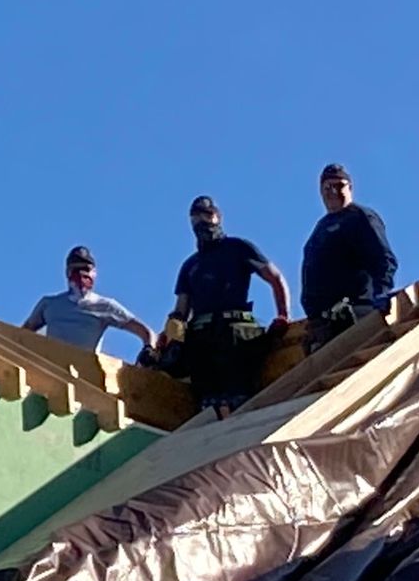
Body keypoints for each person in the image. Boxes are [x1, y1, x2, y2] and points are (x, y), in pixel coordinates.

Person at [162, 197, 291, 416]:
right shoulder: (190, 265)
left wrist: (283, 316)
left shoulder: (238, 248)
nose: (203, 222)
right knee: (208, 405)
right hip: (202, 340)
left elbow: (275, 278)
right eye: (197, 218)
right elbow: (180, 311)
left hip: (236, 335)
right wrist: (169, 338)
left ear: (218, 217)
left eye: (208, 215)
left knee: (239, 398)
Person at [300, 163, 399, 352]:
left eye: (340, 185)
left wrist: (382, 293)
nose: (333, 192)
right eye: (328, 187)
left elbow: (384, 259)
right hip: (327, 323)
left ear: (350, 188)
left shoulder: (360, 217)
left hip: (357, 313)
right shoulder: (320, 228)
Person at [22, 246, 155, 355]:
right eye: (76, 269)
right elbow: (21, 335)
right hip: (54, 373)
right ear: (67, 273)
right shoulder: (49, 305)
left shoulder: (105, 306)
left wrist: (149, 350)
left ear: (94, 273)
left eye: (86, 269)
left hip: (87, 377)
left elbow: (145, 332)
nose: (81, 275)